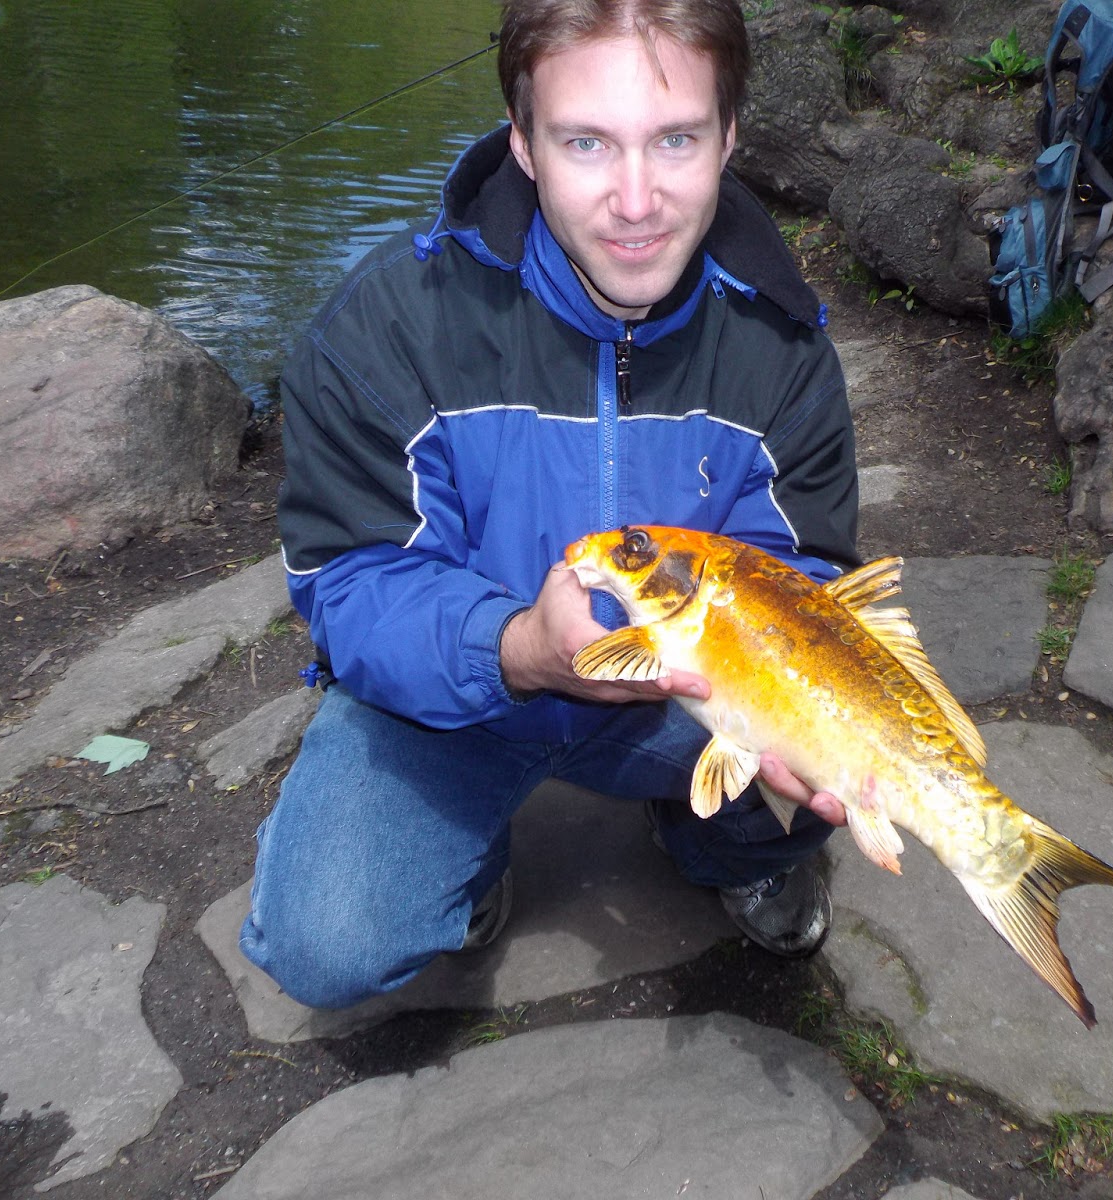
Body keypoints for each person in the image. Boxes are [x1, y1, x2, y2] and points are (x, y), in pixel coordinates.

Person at [239, 0, 859, 1011]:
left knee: (839, 744)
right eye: (585, 142)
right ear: (521, 144)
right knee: (328, 945)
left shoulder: (783, 346)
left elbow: (806, 576)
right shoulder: (384, 323)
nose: (635, 198)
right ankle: (465, 858)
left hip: (685, 698)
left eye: (675, 140)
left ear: (730, 137)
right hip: (454, 702)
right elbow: (347, 586)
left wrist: (786, 703)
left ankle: (723, 845)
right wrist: (520, 646)